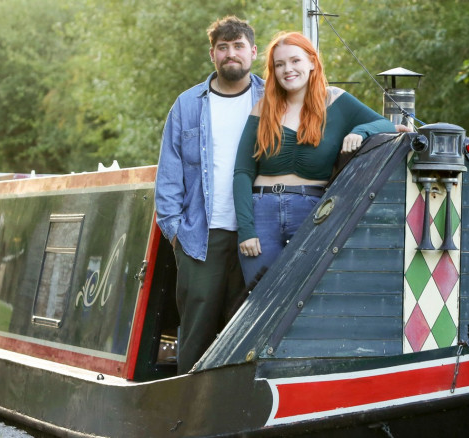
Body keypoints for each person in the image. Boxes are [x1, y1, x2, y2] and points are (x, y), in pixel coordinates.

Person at [233, 31, 396, 284]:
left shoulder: (336, 100)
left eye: (295, 60)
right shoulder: (264, 108)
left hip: (313, 212)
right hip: (261, 212)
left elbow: (386, 124)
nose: (288, 69)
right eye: (279, 64)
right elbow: (242, 172)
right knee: (260, 297)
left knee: (306, 295)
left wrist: (360, 131)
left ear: (311, 62)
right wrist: (246, 229)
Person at [155, 16, 264, 374]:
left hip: (260, 234)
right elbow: (168, 176)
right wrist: (176, 234)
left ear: (253, 51)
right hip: (202, 236)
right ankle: (188, 414)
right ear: (212, 54)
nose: (230, 54)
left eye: (237, 46)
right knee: (196, 335)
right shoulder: (187, 105)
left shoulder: (274, 99)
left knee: (248, 333)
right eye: (223, 47)